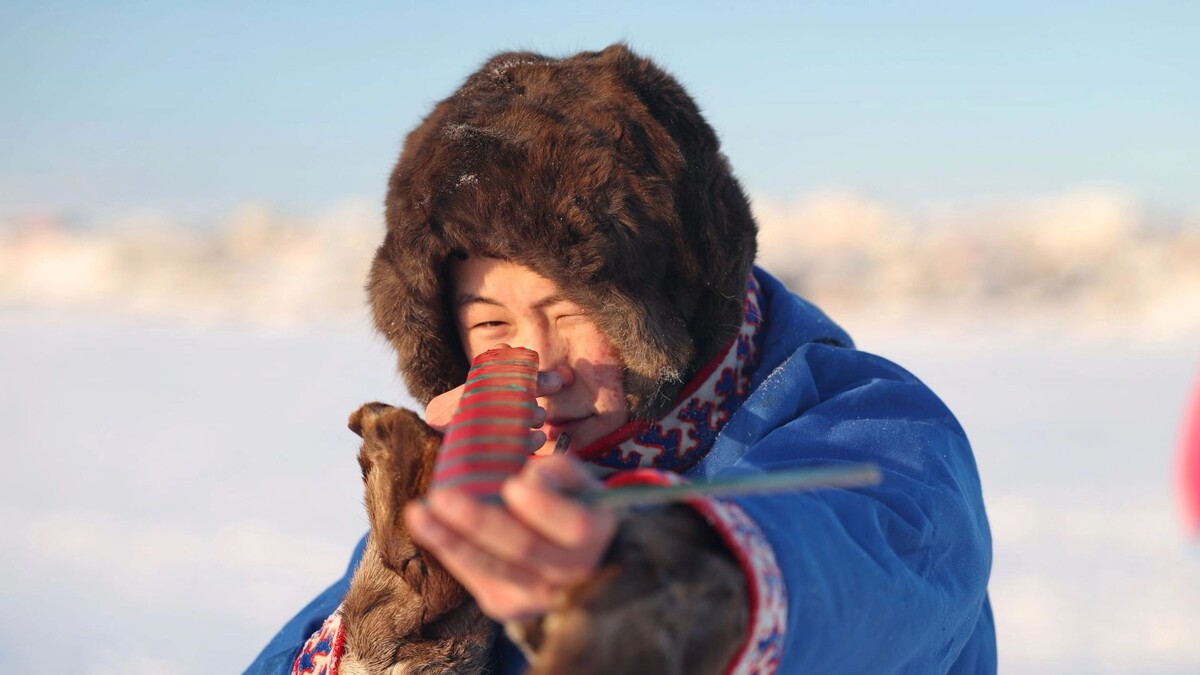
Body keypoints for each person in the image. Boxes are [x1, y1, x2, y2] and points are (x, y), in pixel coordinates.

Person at [246, 44, 995, 674]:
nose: (540, 364)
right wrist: (396, 615)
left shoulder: (869, 425)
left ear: (671, 298)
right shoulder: (457, 513)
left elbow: (859, 565)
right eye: (492, 322)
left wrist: (658, 579)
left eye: (573, 312)